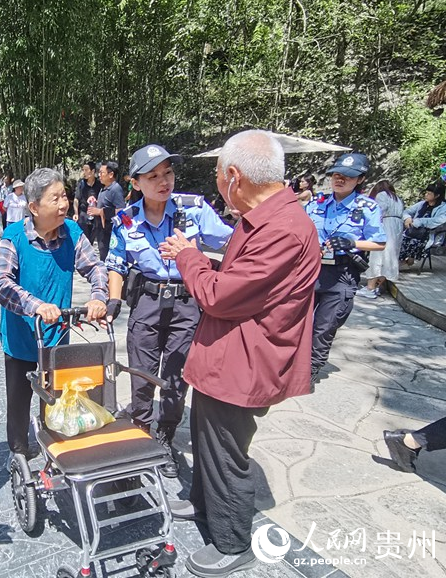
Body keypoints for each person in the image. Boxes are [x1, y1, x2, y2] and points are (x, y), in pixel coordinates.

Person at [158, 130, 320, 577]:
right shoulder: (265, 218)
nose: (216, 185)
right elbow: (242, 280)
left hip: (246, 361)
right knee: (207, 435)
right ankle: (201, 503)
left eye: (217, 176)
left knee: (227, 450)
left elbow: (220, 296)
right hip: (229, 354)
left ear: (234, 176)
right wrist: (201, 261)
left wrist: (190, 258)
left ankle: (232, 543)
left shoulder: (284, 228)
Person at [106, 144, 233, 479]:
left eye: (168, 173)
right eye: (153, 176)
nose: (164, 181)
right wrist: (114, 300)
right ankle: (138, 435)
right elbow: (116, 264)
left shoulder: (195, 209)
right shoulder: (125, 219)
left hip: (186, 304)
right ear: (135, 183)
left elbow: (231, 242)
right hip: (146, 304)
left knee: (177, 379)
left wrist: (208, 265)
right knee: (142, 375)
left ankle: (164, 438)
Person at [0, 168, 107, 459]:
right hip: (20, 340)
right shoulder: (14, 236)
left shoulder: (72, 232)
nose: (63, 204)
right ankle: (18, 454)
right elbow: (1, 283)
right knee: (18, 404)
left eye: (64, 196)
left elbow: (95, 268)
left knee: (56, 402)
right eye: (55, 199)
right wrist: (36, 306)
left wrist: (98, 297)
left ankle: (53, 452)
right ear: (33, 207)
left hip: (57, 339)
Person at [306, 153, 386, 387]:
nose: (339, 180)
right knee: (296, 319)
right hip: (311, 269)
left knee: (325, 325)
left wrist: (352, 243)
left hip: (342, 273)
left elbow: (380, 242)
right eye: (336, 175)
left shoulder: (367, 207)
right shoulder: (317, 203)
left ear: (360, 179)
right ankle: (290, 363)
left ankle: (311, 368)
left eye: (347, 177)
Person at [358, 180, 404, 298]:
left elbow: (379, 211)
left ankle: (370, 288)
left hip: (386, 226)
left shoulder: (382, 195)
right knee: (390, 258)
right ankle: (378, 287)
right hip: (397, 227)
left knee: (377, 257)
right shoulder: (397, 198)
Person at [399, 181, 446, 268]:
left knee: (413, 242)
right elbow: (406, 211)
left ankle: (407, 261)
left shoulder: (443, 207)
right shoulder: (422, 204)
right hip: (412, 231)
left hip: (428, 235)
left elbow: (438, 220)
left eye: (429, 193)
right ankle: (401, 262)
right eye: (426, 192)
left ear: (437, 195)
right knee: (399, 239)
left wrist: (420, 221)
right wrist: (407, 218)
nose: (426, 195)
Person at [87, 160, 125, 261]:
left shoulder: (116, 189)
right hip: (101, 232)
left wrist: (101, 212)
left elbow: (122, 212)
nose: (99, 175)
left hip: (110, 233)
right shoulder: (104, 188)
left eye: (101, 173)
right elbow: (105, 205)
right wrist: (95, 202)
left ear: (111, 174)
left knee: (109, 260)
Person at [72, 161, 102, 242]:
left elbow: (102, 199)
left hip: (95, 214)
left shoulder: (99, 184)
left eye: (86, 170)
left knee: (91, 240)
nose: (84, 172)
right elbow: (76, 199)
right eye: (83, 170)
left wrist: (96, 201)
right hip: (83, 214)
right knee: (83, 239)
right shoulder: (81, 183)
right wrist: (76, 213)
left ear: (92, 171)